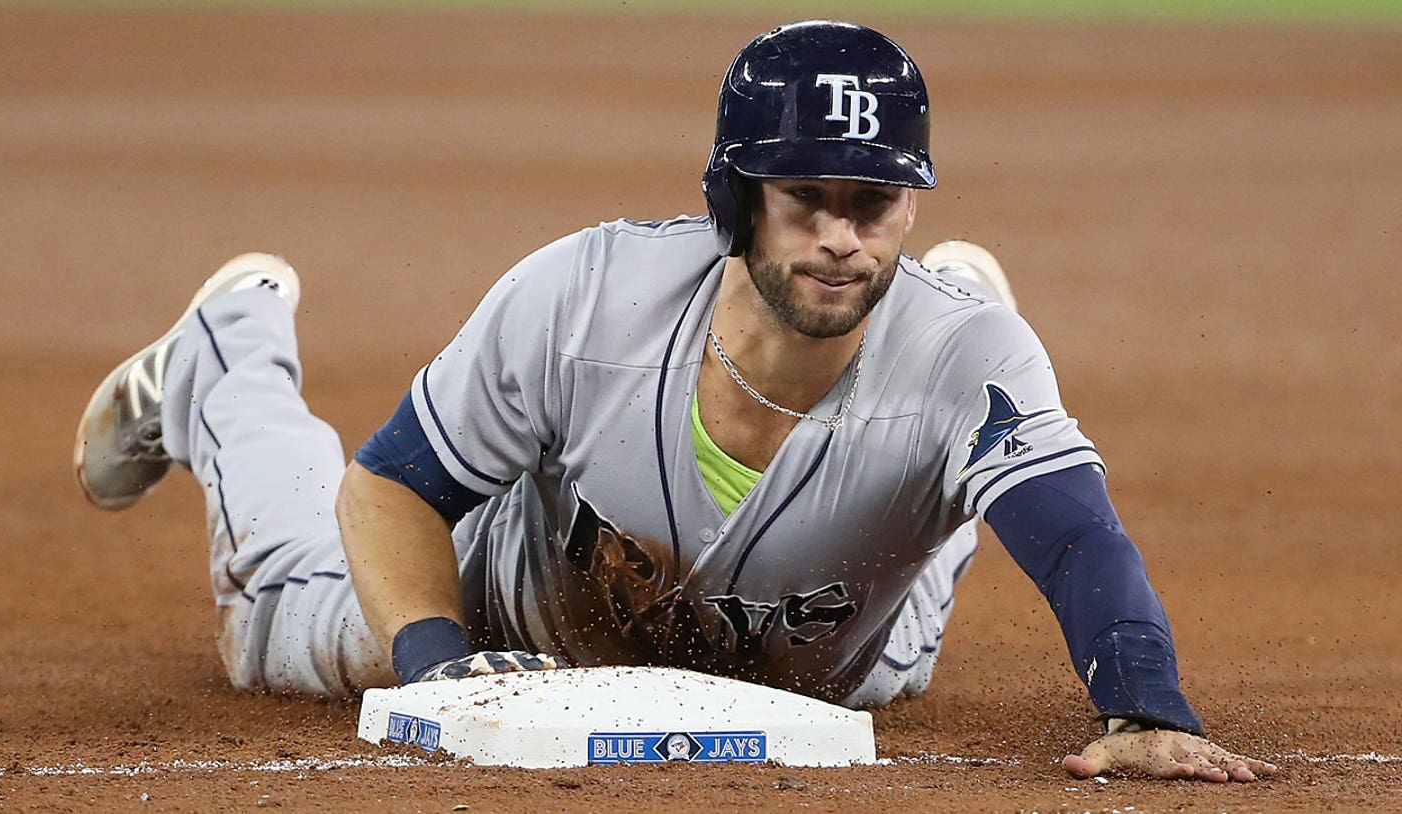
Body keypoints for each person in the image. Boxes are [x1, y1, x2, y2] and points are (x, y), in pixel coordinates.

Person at [74, 20, 1276, 782]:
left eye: (877, 204)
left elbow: (1075, 534)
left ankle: (961, 430)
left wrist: (1143, 706)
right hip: (516, 620)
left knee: (965, 434)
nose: (844, 239)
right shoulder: (584, 298)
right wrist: (440, 669)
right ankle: (224, 354)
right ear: (736, 194)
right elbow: (392, 486)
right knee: (274, 621)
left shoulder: (965, 355)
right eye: (808, 198)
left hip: (828, 653)